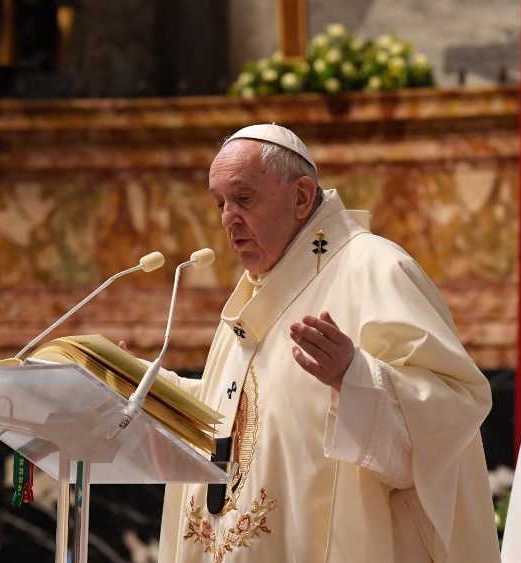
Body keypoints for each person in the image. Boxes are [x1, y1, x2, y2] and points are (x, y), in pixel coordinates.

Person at [155, 124, 500, 562]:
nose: (227, 219)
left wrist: (354, 377)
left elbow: (452, 410)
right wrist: (142, 387)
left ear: (301, 197)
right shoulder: (255, 294)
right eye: (220, 203)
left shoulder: (375, 268)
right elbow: (231, 416)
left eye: (244, 198)